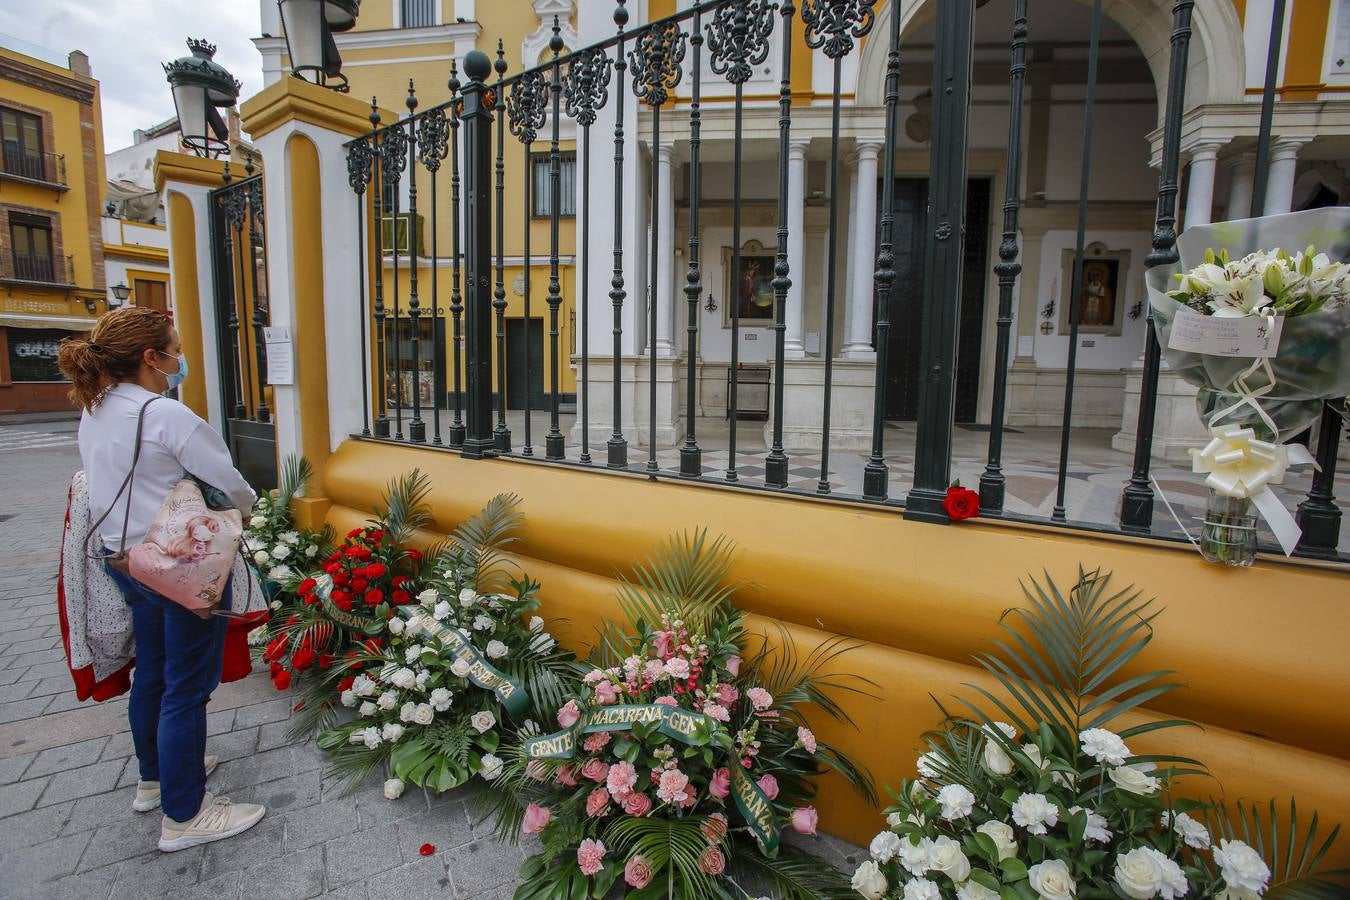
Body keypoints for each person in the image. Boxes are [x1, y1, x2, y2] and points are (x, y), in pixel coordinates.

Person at [57, 308, 266, 853]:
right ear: (151, 357)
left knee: (151, 672)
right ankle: (186, 813)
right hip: (179, 565)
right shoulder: (166, 416)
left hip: (127, 562)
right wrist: (250, 508)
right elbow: (229, 482)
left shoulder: (95, 408)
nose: (180, 360)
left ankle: (154, 779)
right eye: (174, 350)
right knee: (187, 687)